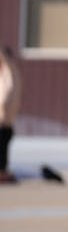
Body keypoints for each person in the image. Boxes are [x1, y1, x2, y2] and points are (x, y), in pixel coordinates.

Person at [0, 46, 22, 184]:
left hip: (4, 117)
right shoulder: (9, 71)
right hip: (7, 117)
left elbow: (7, 93)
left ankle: (2, 172)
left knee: (1, 146)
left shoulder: (8, 72)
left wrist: (2, 110)